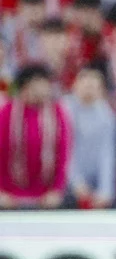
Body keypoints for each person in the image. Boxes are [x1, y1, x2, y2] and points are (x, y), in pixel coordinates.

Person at [0, 64, 71, 209]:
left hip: (47, 197)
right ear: (27, 86)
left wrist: (56, 191)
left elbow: (63, 156)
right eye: (43, 83)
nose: (47, 88)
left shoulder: (57, 113)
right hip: (9, 196)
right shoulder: (7, 112)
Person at [63, 67, 116, 209]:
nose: (89, 90)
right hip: (64, 184)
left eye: (94, 86)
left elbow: (107, 154)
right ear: (75, 86)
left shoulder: (108, 116)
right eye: (85, 85)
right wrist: (77, 183)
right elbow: (63, 151)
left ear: (101, 90)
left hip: (93, 186)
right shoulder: (64, 111)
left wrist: (106, 190)